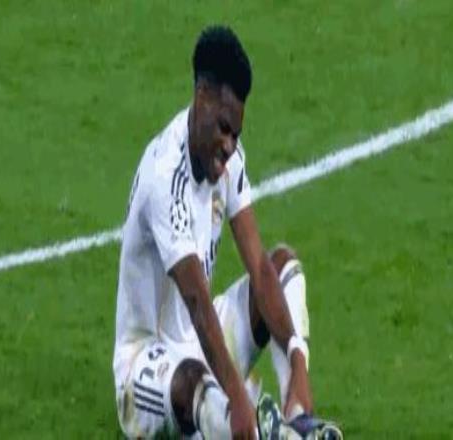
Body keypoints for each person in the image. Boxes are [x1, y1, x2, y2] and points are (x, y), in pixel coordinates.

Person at [113, 25, 341, 439]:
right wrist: (236, 395)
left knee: (284, 267)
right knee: (196, 383)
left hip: (202, 345)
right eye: (223, 128)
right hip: (150, 367)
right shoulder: (165, 176)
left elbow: (261, 269)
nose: (230, 146)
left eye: (236, 134)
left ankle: (296, 419)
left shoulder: (228, 162)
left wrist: (297, 360)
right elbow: (197, 302)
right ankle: (264, 432)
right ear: (201, 96)